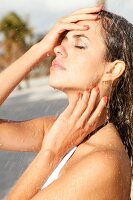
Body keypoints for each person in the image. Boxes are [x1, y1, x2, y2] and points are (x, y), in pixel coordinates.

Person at [0, 5, 132, 200]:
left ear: (113, 70)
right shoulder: (62, 131)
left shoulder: (103, 163)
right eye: (61, 41)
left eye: (79, 45)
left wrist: (51, 153)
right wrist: (39, 49)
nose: (57, 49)